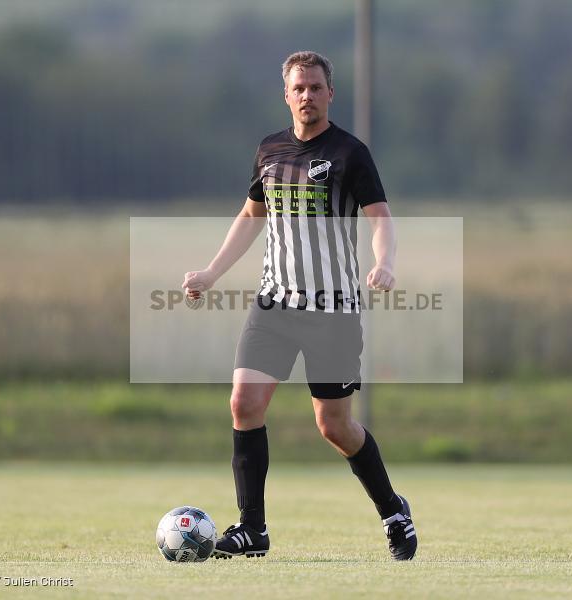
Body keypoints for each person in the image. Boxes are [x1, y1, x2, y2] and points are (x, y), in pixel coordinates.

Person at [181, 51, 416, 561]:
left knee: (334, 426)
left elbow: (380, 218)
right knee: (244, 403)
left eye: (315, 87)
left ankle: (393, 510)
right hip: (275, 305)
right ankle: (252, 529)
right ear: (286, 95)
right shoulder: (268, 150)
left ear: (331, 93)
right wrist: (209, 273)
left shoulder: (351, 153)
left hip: (332, 309)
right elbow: (250, 217)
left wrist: (386, 262)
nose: (307, 95)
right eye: (299, 88)